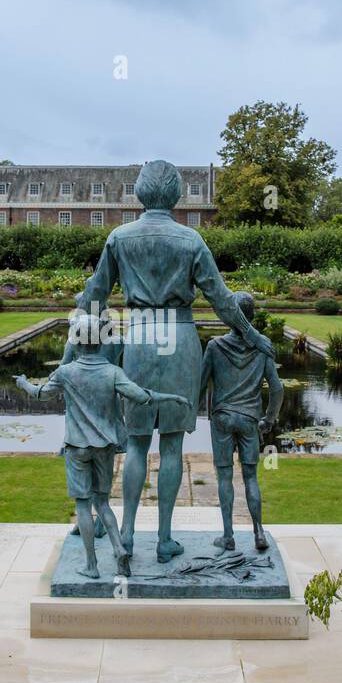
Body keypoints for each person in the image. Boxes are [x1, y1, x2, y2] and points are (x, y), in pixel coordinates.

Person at [78, 159, 273, 562]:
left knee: (135, 443)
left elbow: (94, 298)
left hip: (141, 337)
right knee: (171, 445)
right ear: (177, 194)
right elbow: (222, 300)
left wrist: (86, 347)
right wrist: (253, 335)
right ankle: (164, 540)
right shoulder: (190, 240)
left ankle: (128, 534)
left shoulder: (119, 237)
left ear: (139, 192)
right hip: (180, 337)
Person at [15, 315, 189, 579]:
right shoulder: (113, 372)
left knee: (83, 505)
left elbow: (40, 394)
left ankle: (91, 566)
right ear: (101, 342)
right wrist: (173, 397)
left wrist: (23, 382)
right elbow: (143, 397)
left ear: (76, 342)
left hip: (76, 447)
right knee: (104, 503)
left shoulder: (66, 372)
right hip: (105, 447)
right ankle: (119, 549)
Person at [198, 291, 283, 552]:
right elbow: (277, 389)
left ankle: (228, 536)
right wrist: (268, 420)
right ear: (251, 316)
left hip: (222, 418)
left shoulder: (214, 346)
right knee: (251, 477)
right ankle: (258, 532)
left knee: (224, 476)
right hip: (249, 420)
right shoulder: (262, 346)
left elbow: (200, 386)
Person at [61, 293, 124, 540]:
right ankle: (96, 522)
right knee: (104, 468)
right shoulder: (117, 340)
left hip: (81, 409)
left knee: (83, 474)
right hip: (108, 406)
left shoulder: (76, 338)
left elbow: (63, 369)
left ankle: (87, 521)